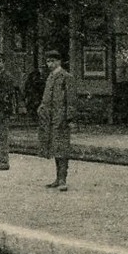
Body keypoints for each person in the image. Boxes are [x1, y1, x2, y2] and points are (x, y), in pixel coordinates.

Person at [36, 50, 73, 191]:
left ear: (59, 61)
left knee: (62, 148)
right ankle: (57, 178)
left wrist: (70, 118)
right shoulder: (50, 77)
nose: (49, 64)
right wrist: (41, 107)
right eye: (48, 61)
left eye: (52, 61)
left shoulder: (66, 77)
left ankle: (63, 179)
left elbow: (71, 100)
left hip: (61, 117)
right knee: (55, 148)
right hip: (49, 117)